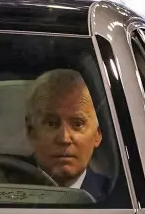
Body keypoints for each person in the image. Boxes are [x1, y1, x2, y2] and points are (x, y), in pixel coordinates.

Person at [23, 69, 109, 200]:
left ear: (97, 134)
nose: (64, 138)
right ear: (31, 131)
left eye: (78, 124)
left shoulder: (123, 200)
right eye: (51, 123)